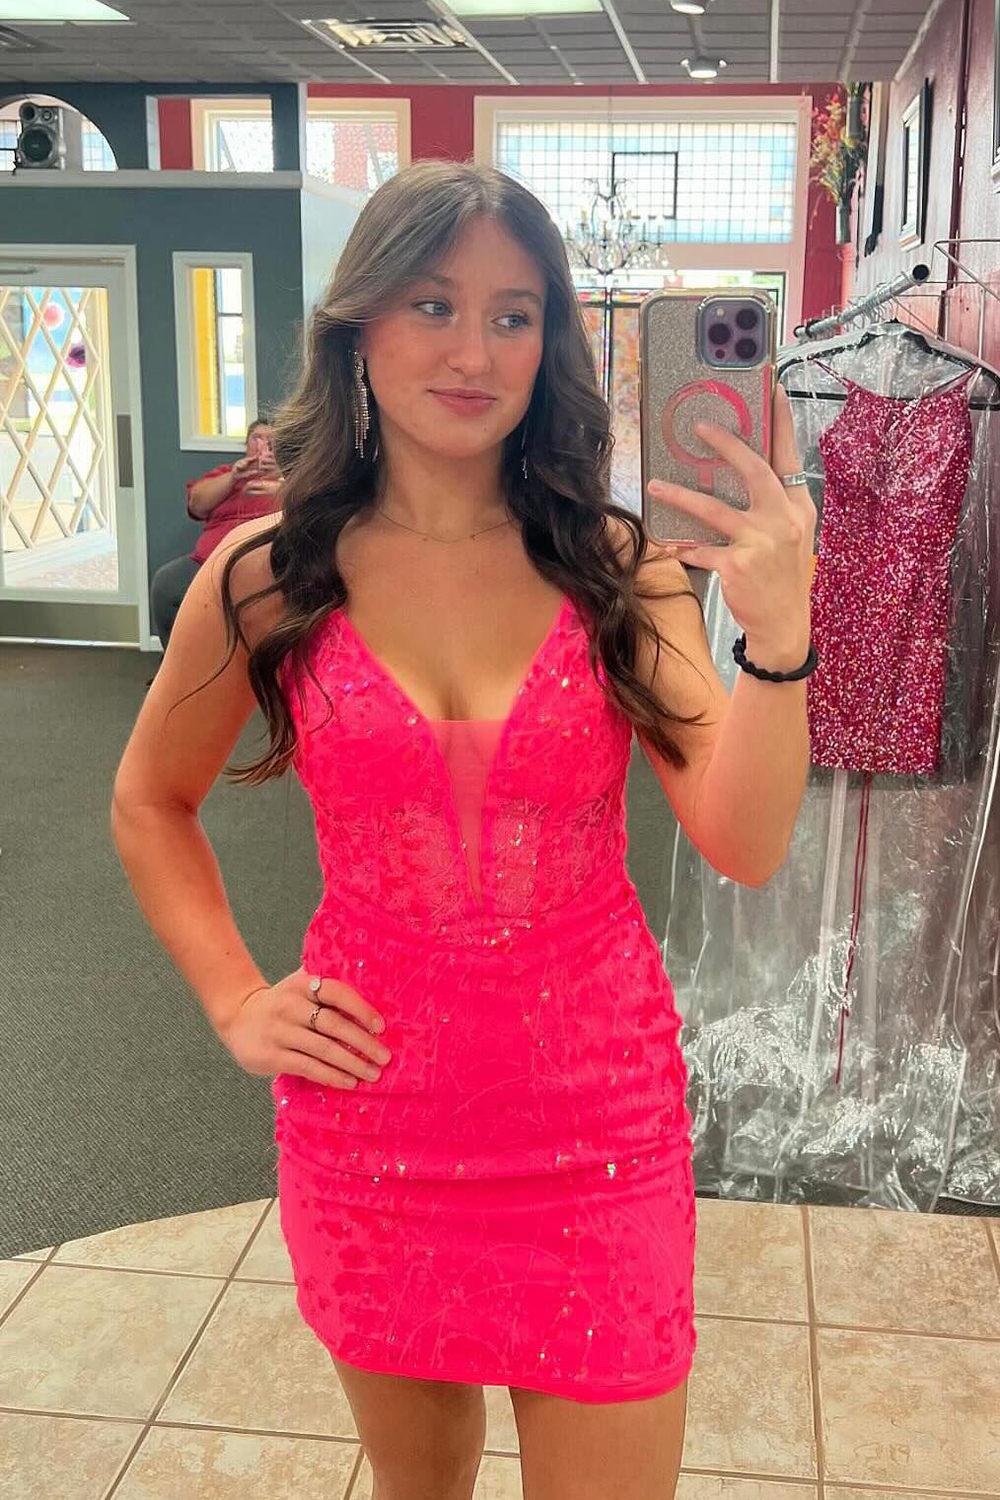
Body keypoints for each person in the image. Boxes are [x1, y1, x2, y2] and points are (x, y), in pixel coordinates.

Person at [112, 160, 816, 1499]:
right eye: (433, 304)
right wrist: (235, 999)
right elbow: (149, 799)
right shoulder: (267, 576)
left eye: (513, 314)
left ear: (551, 342)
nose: (474, 351)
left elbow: (744, 839)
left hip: (596, 1126)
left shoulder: (616, 570)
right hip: (371, 1121)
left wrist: (778, 647)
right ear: (360, 326)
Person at [146, 419, 282, 671]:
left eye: (270, 439)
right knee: (166, 584)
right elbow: (197, 504)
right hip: (209, 562)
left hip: (262, 563)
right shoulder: (225, 475)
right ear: (246, 444)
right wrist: (233, 477)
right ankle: (179, 669)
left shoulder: (291, 479)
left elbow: (309, 508)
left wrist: (281, 481)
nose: (263, 445)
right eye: (257, 438)